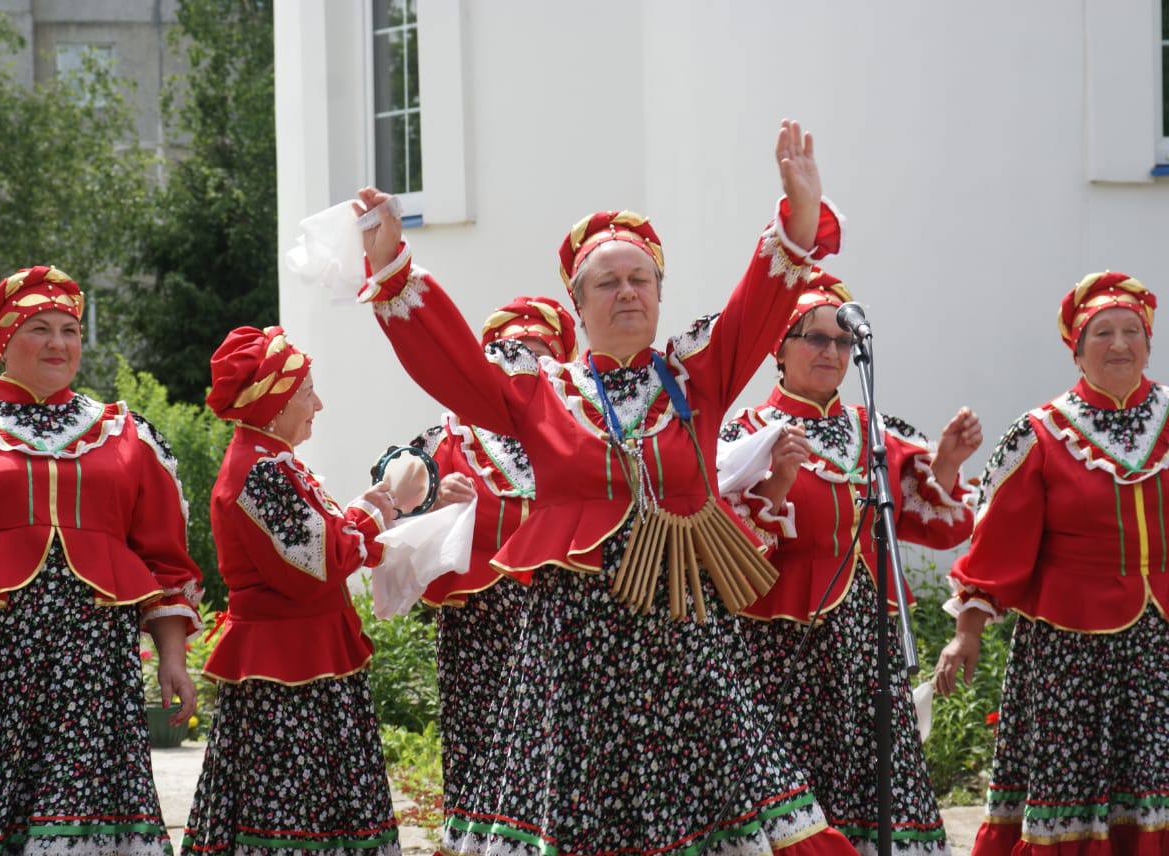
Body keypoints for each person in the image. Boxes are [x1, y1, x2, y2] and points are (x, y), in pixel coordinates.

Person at [355, 120, 860, 854]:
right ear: (580, 304)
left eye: (641, 279)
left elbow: (759, 304)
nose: (627, 293)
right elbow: (453, 362)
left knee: (717, 811)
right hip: (574, 653)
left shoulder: (697, 373)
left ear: (659, 292)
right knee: (580, 817)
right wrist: (393, 264)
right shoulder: (540, 388)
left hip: (686, 649)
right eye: (608, 283)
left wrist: (799, 217)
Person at [0, 265, 203, 856]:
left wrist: (173, 658)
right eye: (39, 328)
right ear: (4, 339)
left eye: (70, 330)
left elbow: (162, 560)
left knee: (85, 816)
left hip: (93, 676)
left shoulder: (124, 433)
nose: (59, 343)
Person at [720, 270, 981, 854]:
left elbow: (932, 525)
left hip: (869, 634)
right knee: (795, 772)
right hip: (782, 640)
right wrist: (778, 485)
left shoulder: (874, 431)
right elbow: (723, 543)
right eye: (815, 338)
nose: (831, 352)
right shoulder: (743, 433)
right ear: (778, 350)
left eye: (842, 342)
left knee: (874, 769)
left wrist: (945, 465)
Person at [935, 272, 1169, 855]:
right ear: (1077, 348)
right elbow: (997, 543)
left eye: (1132, 331)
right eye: (1103, 333)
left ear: (1149, 340)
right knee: (1074, 791)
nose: (1120, 344)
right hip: (1070, 649)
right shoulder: (1044, 433)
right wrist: (967, 634)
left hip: (1160, 644)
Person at [183, 324, 435, 855]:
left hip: (301, 660)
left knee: (301, 801)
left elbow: (317, 541)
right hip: (290, 670)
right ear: (272, 403)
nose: (317, 403)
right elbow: (317, 562)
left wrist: (365, 512)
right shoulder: (260, 471)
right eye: (305, 392)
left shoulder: (271, 463)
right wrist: (384, 503)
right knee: (295, 803)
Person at [401, 296, 573, 823]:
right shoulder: (452, 434)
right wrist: (430, 491)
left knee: (558, 747)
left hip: (562, 616)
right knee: (479, 747)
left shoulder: (578, 430)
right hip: (479, 626)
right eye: (510, 352)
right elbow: (392, 485)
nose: (524, 363)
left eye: (538, 353)